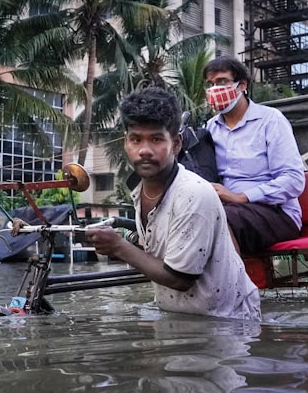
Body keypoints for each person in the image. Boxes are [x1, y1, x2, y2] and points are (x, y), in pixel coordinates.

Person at [85, 86, 261, 320]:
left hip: (228, 323)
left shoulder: (194, 194)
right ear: (125, 143)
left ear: (176, 144)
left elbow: (180, 279)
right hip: (183, 318)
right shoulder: (139, 189)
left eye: (156, 139)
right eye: (136, 139)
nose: (144, 150)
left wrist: (118, 246)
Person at [202, 56, 305, 254]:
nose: (215, 89)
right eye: (211, 84)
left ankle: (233, 283)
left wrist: (242, 196)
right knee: (198, 217)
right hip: (227, 209)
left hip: (276, 213)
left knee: (219, 219)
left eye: (222, 82)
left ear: (242, 85)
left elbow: (293, 180)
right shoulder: (209, 129)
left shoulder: (270, 120)